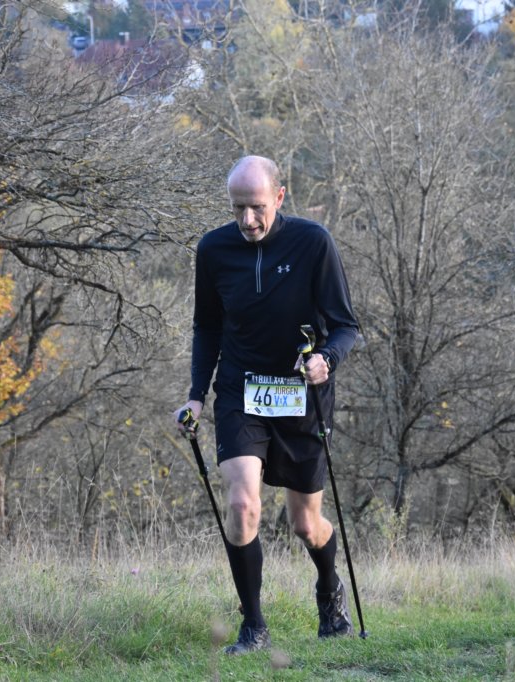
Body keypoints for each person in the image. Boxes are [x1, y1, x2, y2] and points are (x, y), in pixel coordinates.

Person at [174, 155, 360, 654]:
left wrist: (326, 359)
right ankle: (253, 626)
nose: (248, 219)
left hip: (302, 395)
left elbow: (346, 326)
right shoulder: (214, 249)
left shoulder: (313, 242)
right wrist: (196, 395)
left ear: (279, 197)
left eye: (257, 207)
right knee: (242, 506)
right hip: (241, 392)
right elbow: (206, 328)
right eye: (238, 208)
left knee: (306, 525)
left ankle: (329, 590)